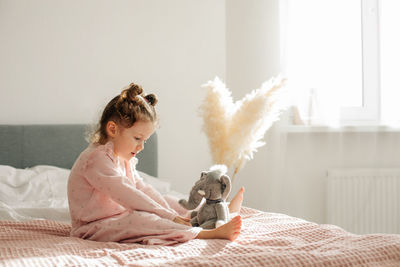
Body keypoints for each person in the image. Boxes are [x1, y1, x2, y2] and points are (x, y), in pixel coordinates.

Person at [67, 83, 244, 245]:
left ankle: (210, 212)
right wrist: (169, 217)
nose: (141, 146)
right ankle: (204, 233)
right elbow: (128, 195)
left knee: (166, 200)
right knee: (141, 218)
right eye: (137, 138)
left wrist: (171, 214)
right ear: (113, 129)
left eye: (145, 140)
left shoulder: (121, 158)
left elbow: (142, 189)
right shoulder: (96, 160)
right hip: (93, 228)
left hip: (118, 217)